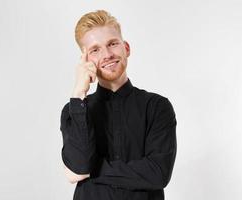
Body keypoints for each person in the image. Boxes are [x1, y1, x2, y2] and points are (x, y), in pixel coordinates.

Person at [60, 9, 177, 200]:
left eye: (112, 44)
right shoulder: (74, 110)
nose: (107, 54)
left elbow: (158, 173)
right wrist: (78, 93)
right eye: (95, 50)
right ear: (86, 60)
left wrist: (94, 170)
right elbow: (80, 165)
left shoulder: (157, 107)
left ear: (126, 48)